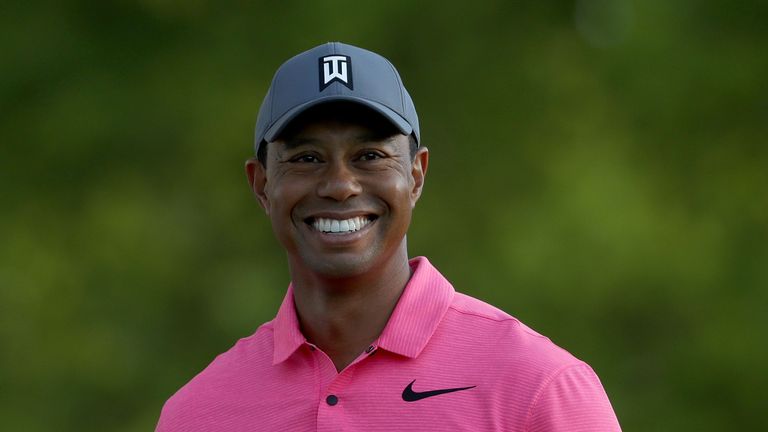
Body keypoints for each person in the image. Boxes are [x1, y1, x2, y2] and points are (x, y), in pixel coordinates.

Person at [156, 42, 622, 431]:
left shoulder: (540, 388)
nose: (340, 185)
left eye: (371, 155)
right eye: (306, 158)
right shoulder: (195, 414)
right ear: (261, 185)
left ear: (416, 176)